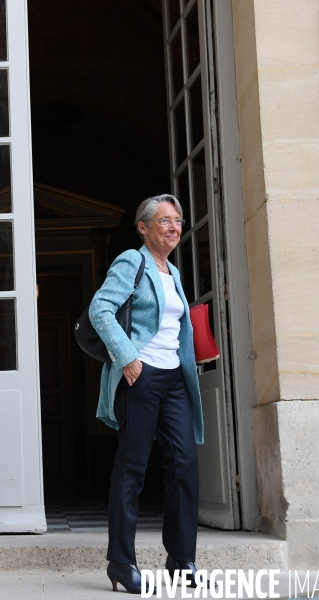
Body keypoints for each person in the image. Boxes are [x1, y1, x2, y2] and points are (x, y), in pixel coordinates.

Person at [89, 194, 207, 594]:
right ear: (143, 228)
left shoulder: (172, 272)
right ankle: (121, 561)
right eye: (164, 221)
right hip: (140, 375)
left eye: (178, 220)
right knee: (132, 469)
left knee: (185, 466)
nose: (174, 227)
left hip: (174, 379)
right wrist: (127, 356)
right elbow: (100, 309)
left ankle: (181, 559)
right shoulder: (131, 261)